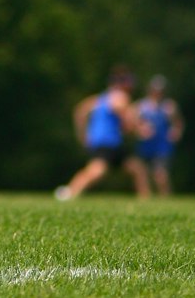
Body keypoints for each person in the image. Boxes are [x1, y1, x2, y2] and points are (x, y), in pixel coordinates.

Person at [54, 66, 146, 200]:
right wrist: (140, 129)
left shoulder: (100, 99)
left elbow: (80, 111)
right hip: (108, 141)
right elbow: (126, 121)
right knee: (97, 171)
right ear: (124, 83)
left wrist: (83, 134)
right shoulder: (121, 97)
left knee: (136, 168)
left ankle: (145, 200)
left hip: (107, 141)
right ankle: (69, 192)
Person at [131, 76, 184, 197]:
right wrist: (140, 129)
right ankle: (144, 197)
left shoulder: (169, 106)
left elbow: (178, 123)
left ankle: (165, 197)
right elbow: (131, 122)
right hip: (145, 145)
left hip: (162, 145)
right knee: (142, 172)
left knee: (160, 173)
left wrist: (175, 132)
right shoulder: (141, 106)